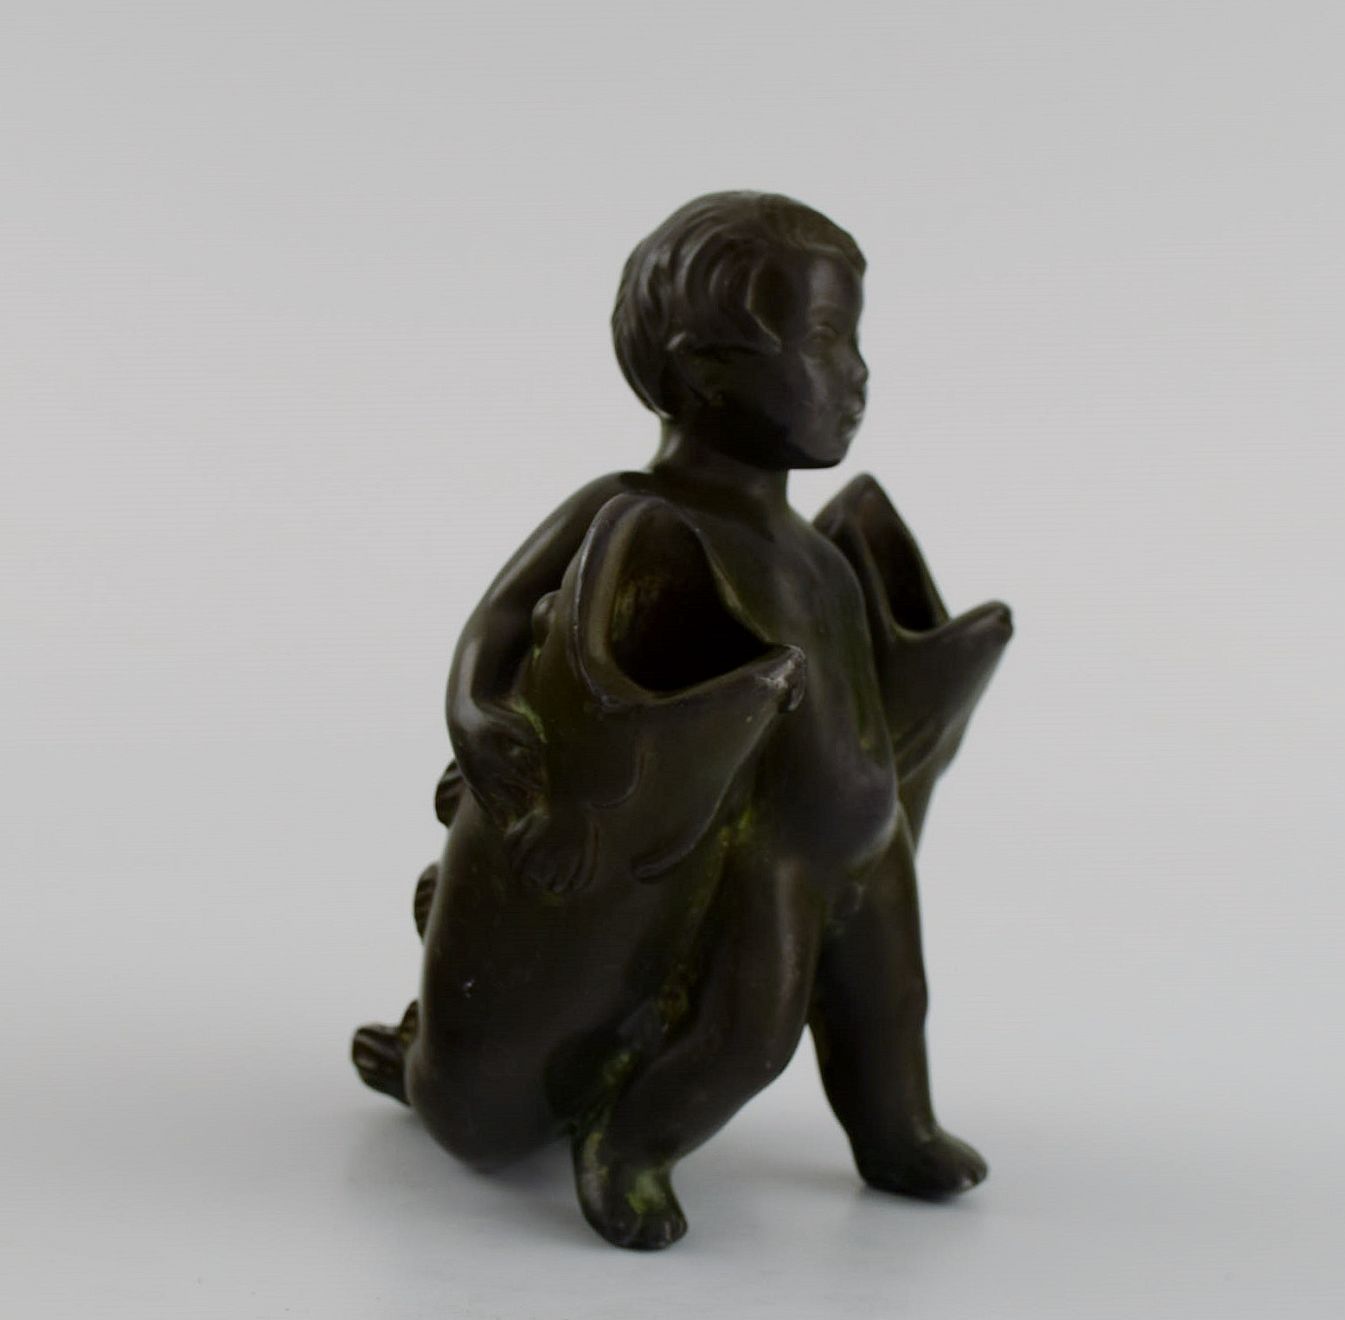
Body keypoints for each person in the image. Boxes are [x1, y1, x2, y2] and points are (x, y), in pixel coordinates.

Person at [352, 192, 1012, 1250]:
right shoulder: (639, 510)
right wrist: (480, 721)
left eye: (854, 341)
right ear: (705, 371)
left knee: (893, 1002)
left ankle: (897, 1134)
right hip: (769, 859)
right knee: (748, 1036)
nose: (856, 374)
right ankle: (628, 1150)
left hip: (867, 841)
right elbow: (500, 623)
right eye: (824, 341)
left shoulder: (817, 551)